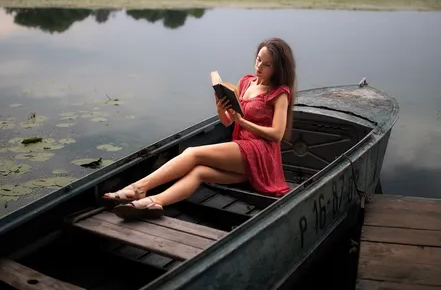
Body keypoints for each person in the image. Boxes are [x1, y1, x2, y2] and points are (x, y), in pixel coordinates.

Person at [104, 37, 297, 220]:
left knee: (193, 153)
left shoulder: (279, 94)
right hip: (242, 155)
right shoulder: (246, 82)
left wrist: (243, 122)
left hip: (259, 154)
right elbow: (229, 122)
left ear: (278, 69)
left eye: (267, 64)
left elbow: (277, 135)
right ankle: (154, 201)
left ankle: (138, 188)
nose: (259, 67)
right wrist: (221, 108)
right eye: (258, 60)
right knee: (199, 172)